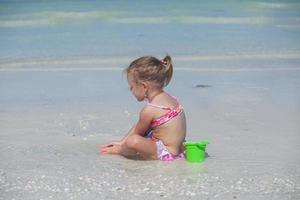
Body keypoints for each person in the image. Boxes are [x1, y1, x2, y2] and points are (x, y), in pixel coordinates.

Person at [100, 55, 186, 161]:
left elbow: (137, 133)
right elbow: (139, 127)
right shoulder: (171, 99)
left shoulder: (149, 110)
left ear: (144, 86)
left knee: (133, 141)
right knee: (142, 133)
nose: (131, 91)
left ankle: (120, 151)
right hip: (179, 151)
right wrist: (122, 141)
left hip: (165, 154)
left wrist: (121, 147)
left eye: (131, 87)